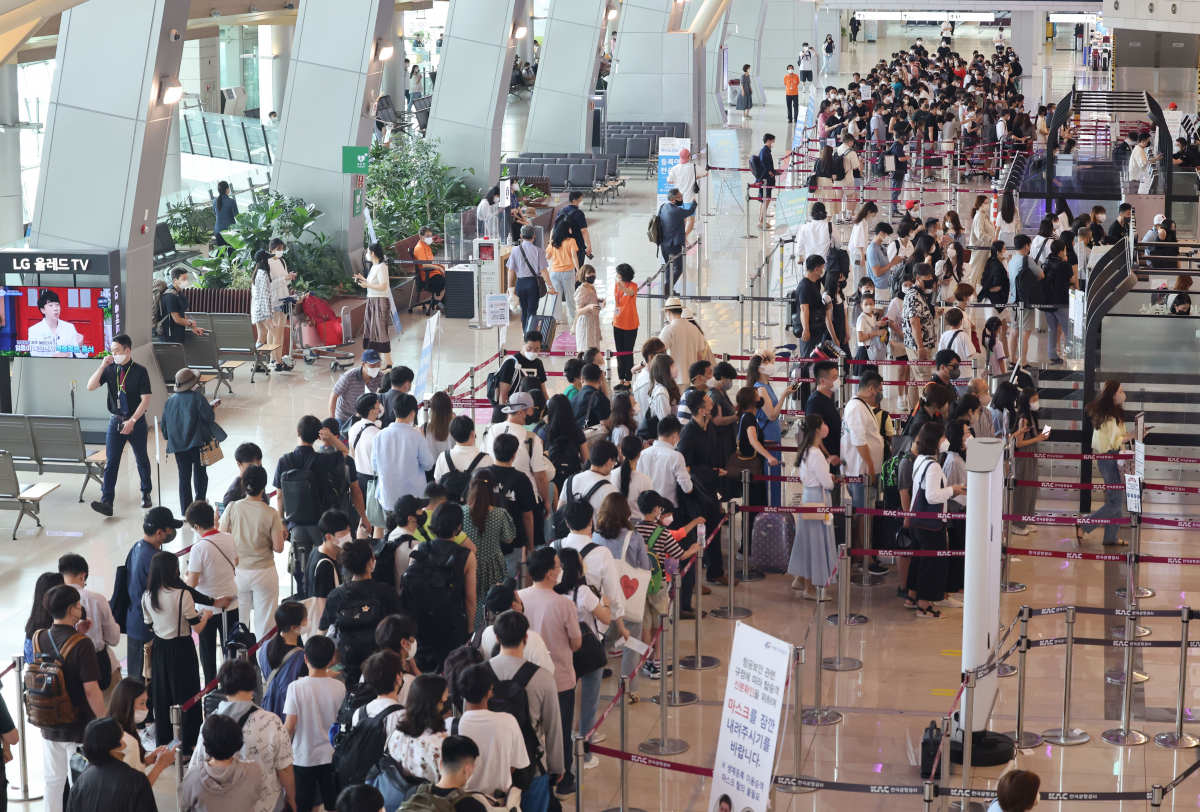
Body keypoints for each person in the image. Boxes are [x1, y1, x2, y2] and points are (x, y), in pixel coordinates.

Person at [143, 550, 229, 754]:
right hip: (182, 649)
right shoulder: (183, 595)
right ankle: (189, 744)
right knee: (186, 696)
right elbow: (197, 628)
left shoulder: (147, 596)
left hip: (160, 649)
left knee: (163, 695)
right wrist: (206, 614)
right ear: (172, 570)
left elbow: (149, 626)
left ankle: (165, 744)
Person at [517, 547, 584, 798]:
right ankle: (564, 780)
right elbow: (576, 644)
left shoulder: (518, 597)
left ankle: (529, 779)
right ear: (549, 573)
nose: (561, 569)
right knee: (560, 732)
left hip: (524, 679)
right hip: (560, 679)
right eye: (558, 566)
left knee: (528, 731)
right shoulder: (564, 604)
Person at [33, 585, 107, 812]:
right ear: (71, 610)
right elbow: (91, 690)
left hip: (48, 723)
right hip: (77, 725)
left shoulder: (40, 636)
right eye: (77, 605)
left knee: (53, 781)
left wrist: (77, 632)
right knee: (81, 783)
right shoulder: (82, 644)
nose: (80, 608)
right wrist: (103, 720)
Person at [189, 659, 295, 812]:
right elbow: (284, 767)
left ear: (224, 689)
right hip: (267, 806)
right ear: (253, 686)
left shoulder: (210, 724)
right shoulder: (272, 721)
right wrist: (291, 797)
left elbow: (198, 766)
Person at [487, 610, 564, 807]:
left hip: (490, 766)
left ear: (497, 638)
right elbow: (553, 726)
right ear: (526, 638)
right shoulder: (543, 677)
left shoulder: (479, 674)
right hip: (532, 765)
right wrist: (557, 766)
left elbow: (469, 719)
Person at [401, 504, 476, 672]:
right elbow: (470, 599)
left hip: (420, 627)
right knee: (452, 673)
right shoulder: (466, 556)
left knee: (422, 675)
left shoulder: (418, 550)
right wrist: (469, 630)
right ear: (458, 527)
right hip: (451, 627)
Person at [319, 540, 405, 682]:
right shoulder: (387, 592)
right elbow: (402, 631)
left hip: (347, 666)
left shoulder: (336, 595)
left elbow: (322, 633)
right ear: (370, 562)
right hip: (383, 666)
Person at [87, 334, 153, 516]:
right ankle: (106, 501)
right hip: (115, 422)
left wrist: (132, 420)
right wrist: (102, 366)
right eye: (112, 350)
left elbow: (145, 400)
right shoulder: (109, 370)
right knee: (112, 462)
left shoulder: (140, 371)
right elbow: (90, 387)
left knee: (141, 459)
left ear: (127, 350)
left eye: (117, 350)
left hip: (136, 422)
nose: (113, 354)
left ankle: (146, 492)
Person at [446, 664, 530, 802]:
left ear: (461, 693)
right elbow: (514, 764)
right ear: (489, 692)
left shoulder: (449, 726)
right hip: (496, 802)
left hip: (460, 803)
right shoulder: (508, 721)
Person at [904, 423, 963, 618]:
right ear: (936, 441)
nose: (945, 440)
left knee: (919, 561)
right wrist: (952, 490)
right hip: (931, 522)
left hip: (917, 520)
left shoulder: (920, 459)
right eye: (943, 437)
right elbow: (932, 496)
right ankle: (925, 606)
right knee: (932, 564)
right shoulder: (934, 465)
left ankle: (912, 597)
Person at [220, 465, 285, 639]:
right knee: (266, 624)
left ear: (243, 485)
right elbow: (279, 548)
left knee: (239, 623)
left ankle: (239, 662)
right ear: (264, 487)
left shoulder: (232, 508)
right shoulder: (271, 513)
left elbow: (222, 539)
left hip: (238, 572)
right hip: (264, 572)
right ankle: (264, 662)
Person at [121, 507, 183, 685]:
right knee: (149, 684)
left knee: (136, 681)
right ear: (160, 532)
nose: (172, 532)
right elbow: (174, 590)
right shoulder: (156, 559)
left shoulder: (137, 547)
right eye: (170, 529)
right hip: (148, 629)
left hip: (134, 623)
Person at [282, 636, 344, 812]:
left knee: (303, 805)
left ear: (305, 658)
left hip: (304, 756)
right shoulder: (340, 687)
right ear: (332, 659)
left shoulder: (296, 687)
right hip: (331, 756)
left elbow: (290, 726)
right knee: (334, 805)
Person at [183, 502, 240, 684]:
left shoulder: (198, 549)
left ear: (197, 527)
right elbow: (236, 561)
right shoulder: (229, 538)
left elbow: (191, 584)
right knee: (230, 650)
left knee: (208, 656)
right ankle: (232, 686)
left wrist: (186, 575)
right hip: (231, 602)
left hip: (207, 608)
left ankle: (211, 692)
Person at [161, 368, 226, 513]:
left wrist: (170, 438)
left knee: (183, 477)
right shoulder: (198, 398)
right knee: (200, 474)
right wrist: (212, 410)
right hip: (197, 444)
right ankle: (200, 504)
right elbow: (208, 417)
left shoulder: (169, 400)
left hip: (178, 446)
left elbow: (164, 425)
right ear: (193, 383)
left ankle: (185, 511)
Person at [57, 554, 121, 699]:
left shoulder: (52, 599)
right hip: (100, 667)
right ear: (83, 575)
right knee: (109, 715)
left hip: (67, 671)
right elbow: (114, 639)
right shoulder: (95, 599)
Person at [788, 415, 838, 598]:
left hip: (810, 495)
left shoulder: (808, 449)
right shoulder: (816, 453)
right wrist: (830, 479)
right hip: (818, 497)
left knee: (806, 540)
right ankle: (810, 588)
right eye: (824, 424)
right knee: (815, 543)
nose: (826, 426)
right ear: (817, 430)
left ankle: (800, 579)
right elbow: (827, 483)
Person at [459, 469, 513, 629]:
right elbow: (508, 538)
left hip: (467, 564)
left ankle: (473, 632)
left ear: (470, 486)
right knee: (494, 603)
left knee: (470, 599)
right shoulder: (500, 513)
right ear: (493, 489)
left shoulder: (461, 512)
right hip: (493, 564)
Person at [65, 718, 157, 812]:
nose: (126, 742)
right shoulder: (137, 780)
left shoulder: (81, 781)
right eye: (122, 738)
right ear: (113, 746)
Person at [178, 714, 264, 812]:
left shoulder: (193, 776)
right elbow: (256, 796)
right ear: (237, 742)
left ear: (206, 743)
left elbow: (183, 803)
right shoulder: (253, 771)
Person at [1082, 379, 1130, 547]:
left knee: (1118, 498)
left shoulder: (1114, 412)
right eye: (1121, 391)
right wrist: (1132, 436)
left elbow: (1119, 436)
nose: (1124, 394)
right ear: (1113, 395)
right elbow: (1115, 441)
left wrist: (1131, 435)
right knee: (1116, 500)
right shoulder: (1108, 416)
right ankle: (1085, 525)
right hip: (1109, 458)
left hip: (1115, 457)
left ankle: (1110, 537)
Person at [372, 392, 435, 514]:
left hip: (388, 497)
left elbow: (375, 466)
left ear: (394, 411)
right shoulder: (417, 437)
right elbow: (428, 465)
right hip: (413, 499)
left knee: (392, 531)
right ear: (412, 413)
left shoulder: (379, 436)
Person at [749, 350, 797, 505]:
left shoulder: (766, 385)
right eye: (766, 363)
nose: (771, 365)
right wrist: (784, 395)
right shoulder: (761, 388)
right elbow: (772, 415)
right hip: (768, 432)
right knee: (770, 472)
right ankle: (771, 508)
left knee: (775, 472)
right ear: (758, 369)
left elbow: (772, 356)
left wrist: (762, 353)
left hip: (773, 432)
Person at [105, 679, 174, 785]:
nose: (146, 709)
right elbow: (138, 789)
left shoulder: (109, 727)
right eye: (142, 703)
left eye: (146, 703)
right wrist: (160, 766)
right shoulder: (126, 740)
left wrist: (147, 760)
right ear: (127, 703)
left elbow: (126, 768)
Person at [1009, 388, 1049, 536]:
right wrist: (1038, 438)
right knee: (1022, 490)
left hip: (1031, 455)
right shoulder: (1023, 418)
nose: (1036, 403)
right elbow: (1019, 443)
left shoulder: (1032, 416)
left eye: (1037, 399)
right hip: (1023, 457)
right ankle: (1016, 523)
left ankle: (1027, 519)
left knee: (1031, 490)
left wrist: (1040, 436)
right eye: (1033, 400)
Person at [489, 331, 549, 423]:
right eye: (529, 348)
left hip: (531, 413)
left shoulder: (538, 363)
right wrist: (506, 418)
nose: (533, 352)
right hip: (515, 414)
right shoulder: (510, 363)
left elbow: (543, 390)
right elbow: (503, 394)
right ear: (523, 344)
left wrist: (548, 409)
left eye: (536, 349)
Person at [352, 243, 396, 369]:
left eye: (367, 252)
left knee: (381, 331)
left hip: (380, 301)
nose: (366, 254)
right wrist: (363, 279)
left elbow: (383, 286)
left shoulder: (382, 267)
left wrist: (367, 285)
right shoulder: (374, 267)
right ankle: (381, 360)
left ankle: (387, 362)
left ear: (372, 253)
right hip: (372, 300)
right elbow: (374, 283)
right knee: (373, 331)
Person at [507, 225, 556, 332]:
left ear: (520, 236)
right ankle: (531, 334)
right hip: (533, 284)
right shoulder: (538, 251)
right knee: (532, 311)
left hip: (520, 283)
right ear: (534, 236)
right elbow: (544, 271)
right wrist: (550, 287)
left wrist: (509, 287)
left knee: (523, 311)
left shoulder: (515, 251)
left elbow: (511, 270)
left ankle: (525, 334)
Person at [422, 735, 490, 812]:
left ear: (440, 764)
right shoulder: (473, 807)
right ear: (467, 769)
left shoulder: (414, 793)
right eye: (473, 767)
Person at [330, 350, 383, 429]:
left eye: (378, 365)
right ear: (363, 365)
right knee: (343, 441)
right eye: (372, 365)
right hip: (344, 417)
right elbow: (334, 396)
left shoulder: (379, 376)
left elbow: (389, 390)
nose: (376, 368)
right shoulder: (349, 377)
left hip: (363, 417)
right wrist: (332, 420)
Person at [26, 289, 84, 357]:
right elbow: (35, 355)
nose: (55, 308)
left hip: (67, 365)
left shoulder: (69, 327)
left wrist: (81, 345)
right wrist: (54, 356)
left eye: (57, 305)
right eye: (50, 305)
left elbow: (82, 356)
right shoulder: (34, 330)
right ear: (43, 310)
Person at [657, 188, 697, 284]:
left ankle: (668, 289)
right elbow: (690, 211)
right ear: (672, 199)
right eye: (679, 197)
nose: (682, 199)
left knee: (668, 266)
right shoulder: (677, 211)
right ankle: (668, 286)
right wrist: (694, 203)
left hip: (663, 243)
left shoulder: (663, 207)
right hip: (673, 244)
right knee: (679, 267)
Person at [546, 218, 581, 328]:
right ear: (568, 230)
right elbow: (574, 257)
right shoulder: (571, 241)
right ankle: (574, 315)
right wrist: (578, 270)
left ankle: (556, 318)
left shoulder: (553, 242)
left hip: (554, 273)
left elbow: (547, 257)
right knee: (570, 294)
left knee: (556, 297)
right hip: (567, 272)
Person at [159, 267, 205, 344]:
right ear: (175, 280)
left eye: (186, 278)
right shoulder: (170, 296)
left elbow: (181, 312)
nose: (186, 281)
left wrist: (193, 327)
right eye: (183, 278)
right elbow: (177, 319)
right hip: (169, 337)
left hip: (177, 334)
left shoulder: (177, 294)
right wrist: (191, 323)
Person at [904, 263, 939, 362]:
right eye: (927, 277)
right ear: (918, 278)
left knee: (917, 376)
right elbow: (914, 322)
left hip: (924, 344)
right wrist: (920, 347)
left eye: (931, 276)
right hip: (919, 345)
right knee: (923, 376)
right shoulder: (914, 296)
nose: (930, 279)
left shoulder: (920, 293)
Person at [412, 227, 446, 315]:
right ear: (421, 237)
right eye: (428, 236)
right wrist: (439, 268)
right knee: (451, 283)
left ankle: (445, 304)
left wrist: (442, 266)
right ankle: (442, 304)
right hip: (429, 277)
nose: (430, 238)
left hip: (435, 274)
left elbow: (432, 261)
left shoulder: (427, 247)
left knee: (453, 277)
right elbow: (425, 265)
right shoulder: (419, 248)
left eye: (431, 235)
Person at [556, 191, 594, 267]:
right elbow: (583, 231)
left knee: (565, 267)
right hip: (577, 245)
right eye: (580, 200)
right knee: (577, 268)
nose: (582, 202)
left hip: (562, 244)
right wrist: (589, 245)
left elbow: (555, 227)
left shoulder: (561, 211)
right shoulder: (579, 213)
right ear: (574, 201)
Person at [573, 265, 604, 355]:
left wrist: (600, 302)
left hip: (593, 321)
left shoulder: (591, 288)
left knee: (594, 348)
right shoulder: (581, 290)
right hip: (585, 322)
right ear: (583, 275)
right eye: (589, 273)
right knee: (586, 348)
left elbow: (593, 300)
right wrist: (588, 307)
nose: (592, 275)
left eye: (593, 273)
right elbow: (578, 311)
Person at [757, 134, 780, 228]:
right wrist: (770, 172)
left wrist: (774, 172)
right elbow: (764, 164)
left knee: (764, 200)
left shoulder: (765, 151)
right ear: (769, 140)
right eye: (773, 141)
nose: (774, 143)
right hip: (766, 179)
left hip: (765, 177)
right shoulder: (765, 151)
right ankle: (761, 221)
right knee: (766, 199)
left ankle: (761, 220)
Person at [211, 180, 239, 247]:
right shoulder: (231, 202)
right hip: (230, 232)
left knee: (222, 254)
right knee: (232, 253)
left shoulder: (215, 201)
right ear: (227, 189)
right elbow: (237, 216)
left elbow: (215, 214)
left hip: (218, 231)